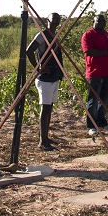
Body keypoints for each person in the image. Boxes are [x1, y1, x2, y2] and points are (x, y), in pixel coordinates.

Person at [26, 13, 64, 151]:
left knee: (50, 107)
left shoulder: (55, 35)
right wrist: (38, 67)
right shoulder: (42, 35)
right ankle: (42, 141)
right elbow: (29, 51)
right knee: (45, 107)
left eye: (57, 20)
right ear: (47, 20)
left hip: (54, 76)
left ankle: (46, 137)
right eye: (52, 19)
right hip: (45, 79)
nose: (55, 22)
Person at [81, 14, 108, 136]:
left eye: (104, 21)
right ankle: (91, 125)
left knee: (105, 100)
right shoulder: (88, 35)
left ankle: (101, 122)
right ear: (94, 21)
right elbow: (89, 51)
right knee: (93, 101)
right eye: (99, 21)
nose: (102, 23)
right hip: (94, 73)